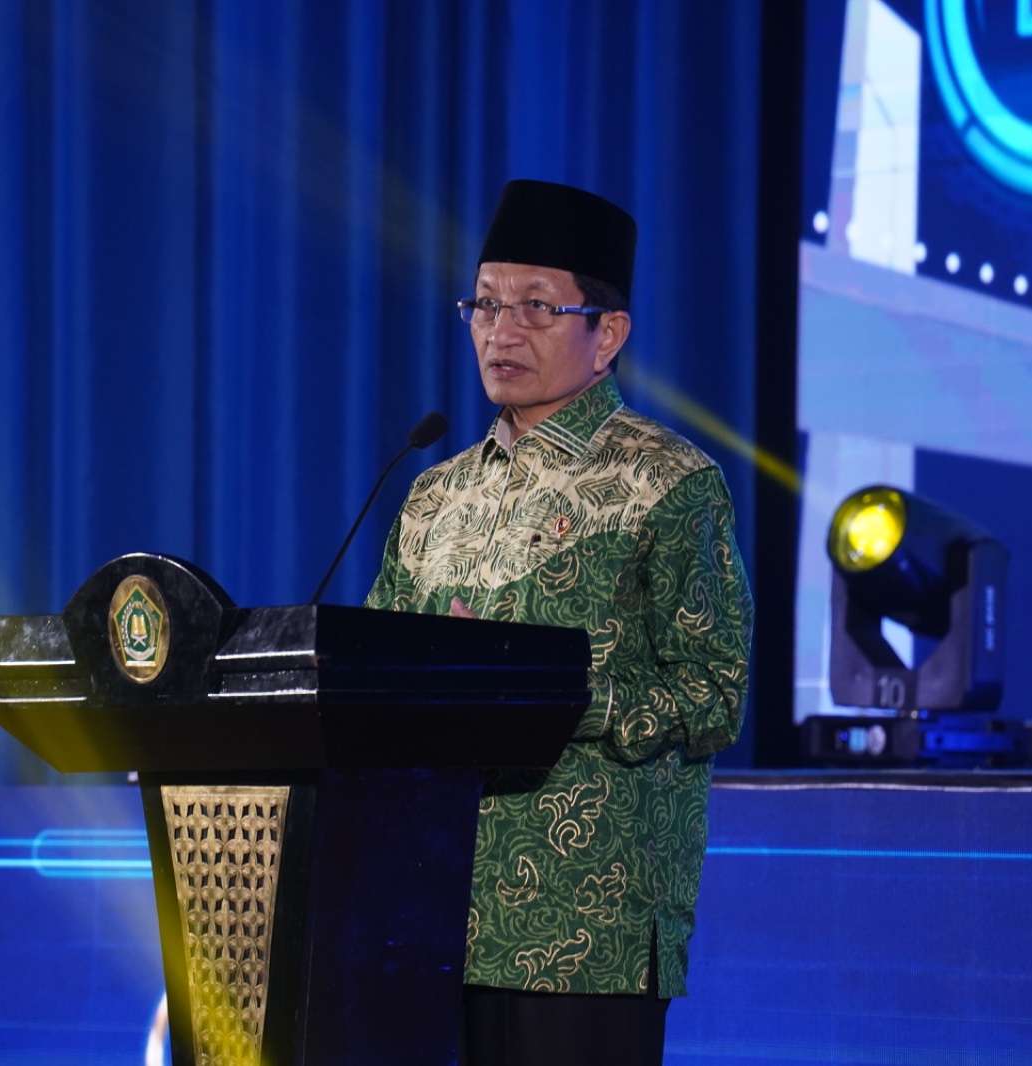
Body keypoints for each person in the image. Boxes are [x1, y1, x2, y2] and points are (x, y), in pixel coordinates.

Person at [365, 179, 753, 1066]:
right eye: (485, 304)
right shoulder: (434, 495)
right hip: (425, 913)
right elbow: (375, 669)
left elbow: (716, 691)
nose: (501, 331)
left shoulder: (670, 483)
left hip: (586, 929)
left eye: (537, 307)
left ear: (606, 334)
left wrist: (551, 690)